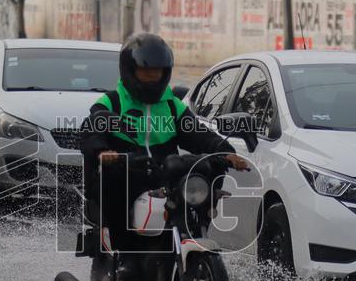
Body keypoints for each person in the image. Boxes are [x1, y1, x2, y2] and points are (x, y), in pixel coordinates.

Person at [80, 32, 250, 261]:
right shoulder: (112, 102)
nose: (152, 78)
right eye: (146, 72)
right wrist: (103, 152)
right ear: (130, 71)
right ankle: (125, 262)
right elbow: (92, 129)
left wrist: (226, 152)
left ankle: (196, 230)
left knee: (206, 169)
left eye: (157, 73)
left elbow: (199, 134)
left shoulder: (172, 107)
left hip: (165, 174)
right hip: (130, 173)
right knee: (114, 178)